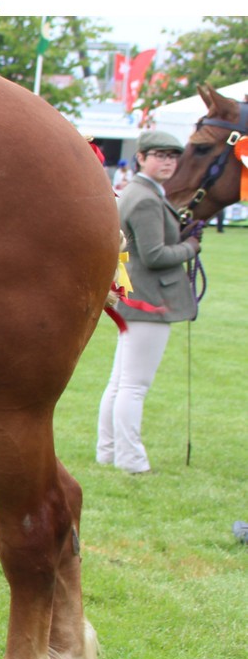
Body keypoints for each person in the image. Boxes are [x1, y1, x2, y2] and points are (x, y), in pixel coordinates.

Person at [97, 130, 199, 474]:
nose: (167, 162)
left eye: (172, 156)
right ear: (141, 157)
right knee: (133, 385)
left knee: (120, 381)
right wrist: (191, 247)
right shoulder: (144, 198)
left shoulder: (139, 192)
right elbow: (155, 255)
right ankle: (131, 459)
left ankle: (108, 452)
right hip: (149, 300)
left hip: (133, 296)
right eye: (159, 155)